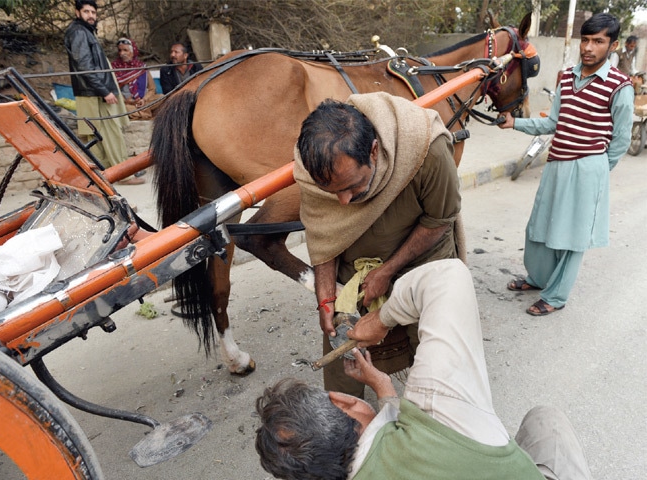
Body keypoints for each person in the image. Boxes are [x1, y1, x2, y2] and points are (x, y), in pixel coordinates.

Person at [255, 259, 594, 480]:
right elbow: (447, 276)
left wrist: (384, 388)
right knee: (544, 419)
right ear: (346, 404)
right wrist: (381, 320)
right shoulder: (438, 405)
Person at [293, 92, 461, 397]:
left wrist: (387, 271)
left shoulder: (426, 148)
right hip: (353, 273)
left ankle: (430, 420)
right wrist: (326, 298)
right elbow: (323, 234)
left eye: (352, 187)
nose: (343, 202)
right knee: (342, 357)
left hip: (420, 264)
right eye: (332, 192)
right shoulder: (313, 166)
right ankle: (346, 435)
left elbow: (440, 220)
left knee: (433, 368)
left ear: (373, 152)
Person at [498, 13, 633, 316]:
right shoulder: (568, 75)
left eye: (598, 41)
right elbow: (554, 123)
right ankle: (538, 278)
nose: (588, 47)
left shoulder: (619, 86)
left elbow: (621, 141)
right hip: (557, 163)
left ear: (612, 45)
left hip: (587, 169)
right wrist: (514, 123)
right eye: (585, 40)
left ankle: (555, 296)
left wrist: (595, 169)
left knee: (572, 237)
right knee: (539, 226)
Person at [64, 0, 143, 185]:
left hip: (93, 91)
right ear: (77, 13)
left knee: (97, 134)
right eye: (86, 11)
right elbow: (84, 66)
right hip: (95, 93)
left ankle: (107, 173)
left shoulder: (84, 31)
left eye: (93, 12)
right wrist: (104, 91)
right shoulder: (78, 32)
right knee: (110, 131)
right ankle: (123, 173)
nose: (91, 15)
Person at [112, 37, 163, 120]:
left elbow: (152, 89)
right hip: (126, 103)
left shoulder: (142, 67)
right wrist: (127, 101)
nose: (122, 53)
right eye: (120, 50)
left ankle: (139, 113)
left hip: (144, 101)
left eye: (125, 50)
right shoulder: (114, 68)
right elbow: (114, 90)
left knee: (162, 97)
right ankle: (146, 113)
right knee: (121, 108)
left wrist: (144, 99)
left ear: (133, 52)